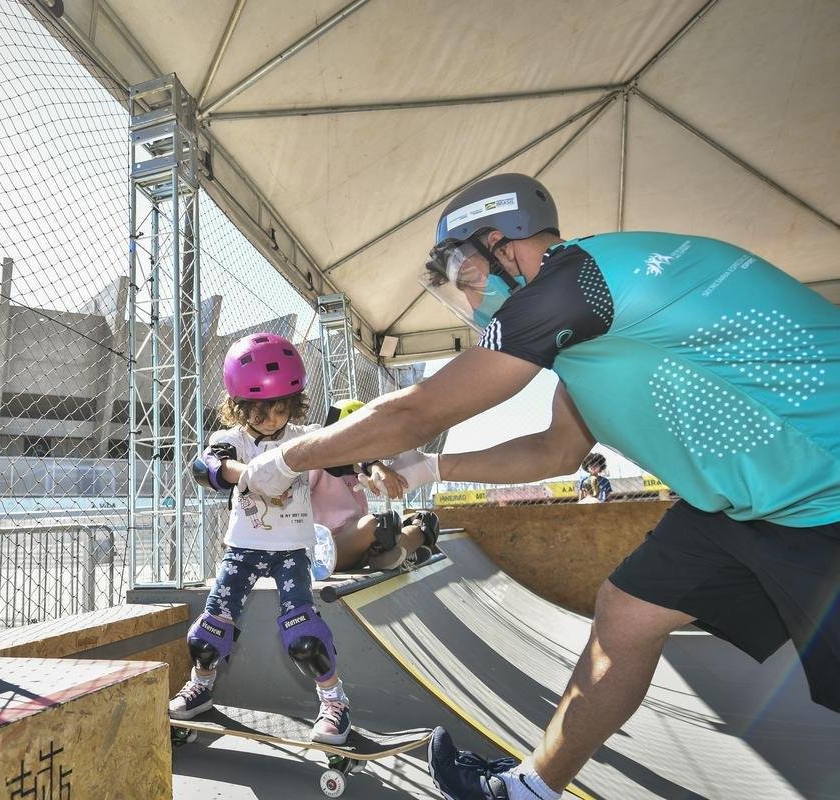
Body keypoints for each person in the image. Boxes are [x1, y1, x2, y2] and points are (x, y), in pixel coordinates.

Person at [235, 173, 840, 800]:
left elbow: (417, 412)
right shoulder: (588, 332)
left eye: (468, 275)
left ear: (504, 243)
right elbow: (557, 449)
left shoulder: (576, 282)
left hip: (829, 491)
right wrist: (433, 470)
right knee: (627, 614)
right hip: (743, 508)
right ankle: (531, 790)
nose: (470, 302)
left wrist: (282, 460)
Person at [169, 332, 355, 744]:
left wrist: (371, 467)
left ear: (294, 403)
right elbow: (207, 467)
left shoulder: (302, 439)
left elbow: (343, 459)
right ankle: (201, 684)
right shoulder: (230, 440)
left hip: (291, 551)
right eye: (259, 410)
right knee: (207, 635)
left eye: (280, 408)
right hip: (243, 550)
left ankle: (334, 702)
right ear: (238, 406)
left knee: (303, 637)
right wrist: (249, 473)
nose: (271, 418)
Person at [312, 399, 444, 570]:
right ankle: (397, 553)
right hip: (330, 547)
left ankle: (393, 556)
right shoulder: (314, 464)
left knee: (425, 520)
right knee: (378, 523)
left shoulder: (360, 469)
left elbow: (367, 463)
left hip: (362, 542)